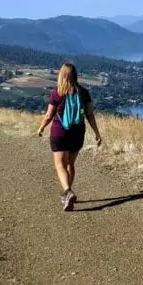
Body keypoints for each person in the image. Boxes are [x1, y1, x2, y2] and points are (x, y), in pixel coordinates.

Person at [36, 62, 103, 210]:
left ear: (61, 75)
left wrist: (41, 128)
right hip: (77, 133)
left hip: (60, 133)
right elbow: (90, 115)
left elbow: (48, 115)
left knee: (60, 164)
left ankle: (67, 192)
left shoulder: (57, 93)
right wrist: (97, 133)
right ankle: (68, 194)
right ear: (75, 75)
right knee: (70, 164)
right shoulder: (84, 93)